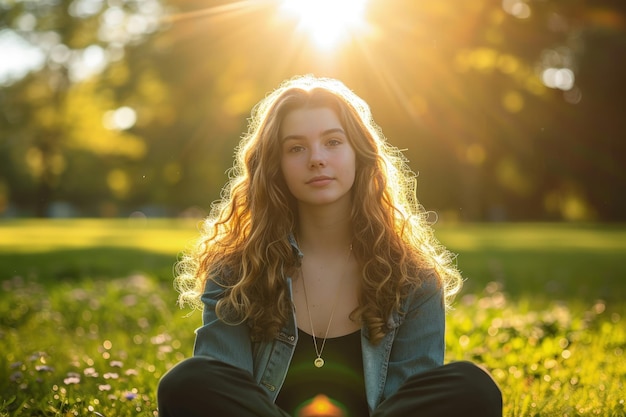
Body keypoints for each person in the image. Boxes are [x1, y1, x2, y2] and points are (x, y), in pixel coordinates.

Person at [157, 75, 502, 417]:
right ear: (275, 166)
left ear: (359, 155)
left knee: (472, 386)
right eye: (296, 148)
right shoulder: (237, 270)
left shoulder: (413, 278)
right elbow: (224, 386)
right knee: (189, 380)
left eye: (333, 142)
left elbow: (409, 402)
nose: (316, 158)